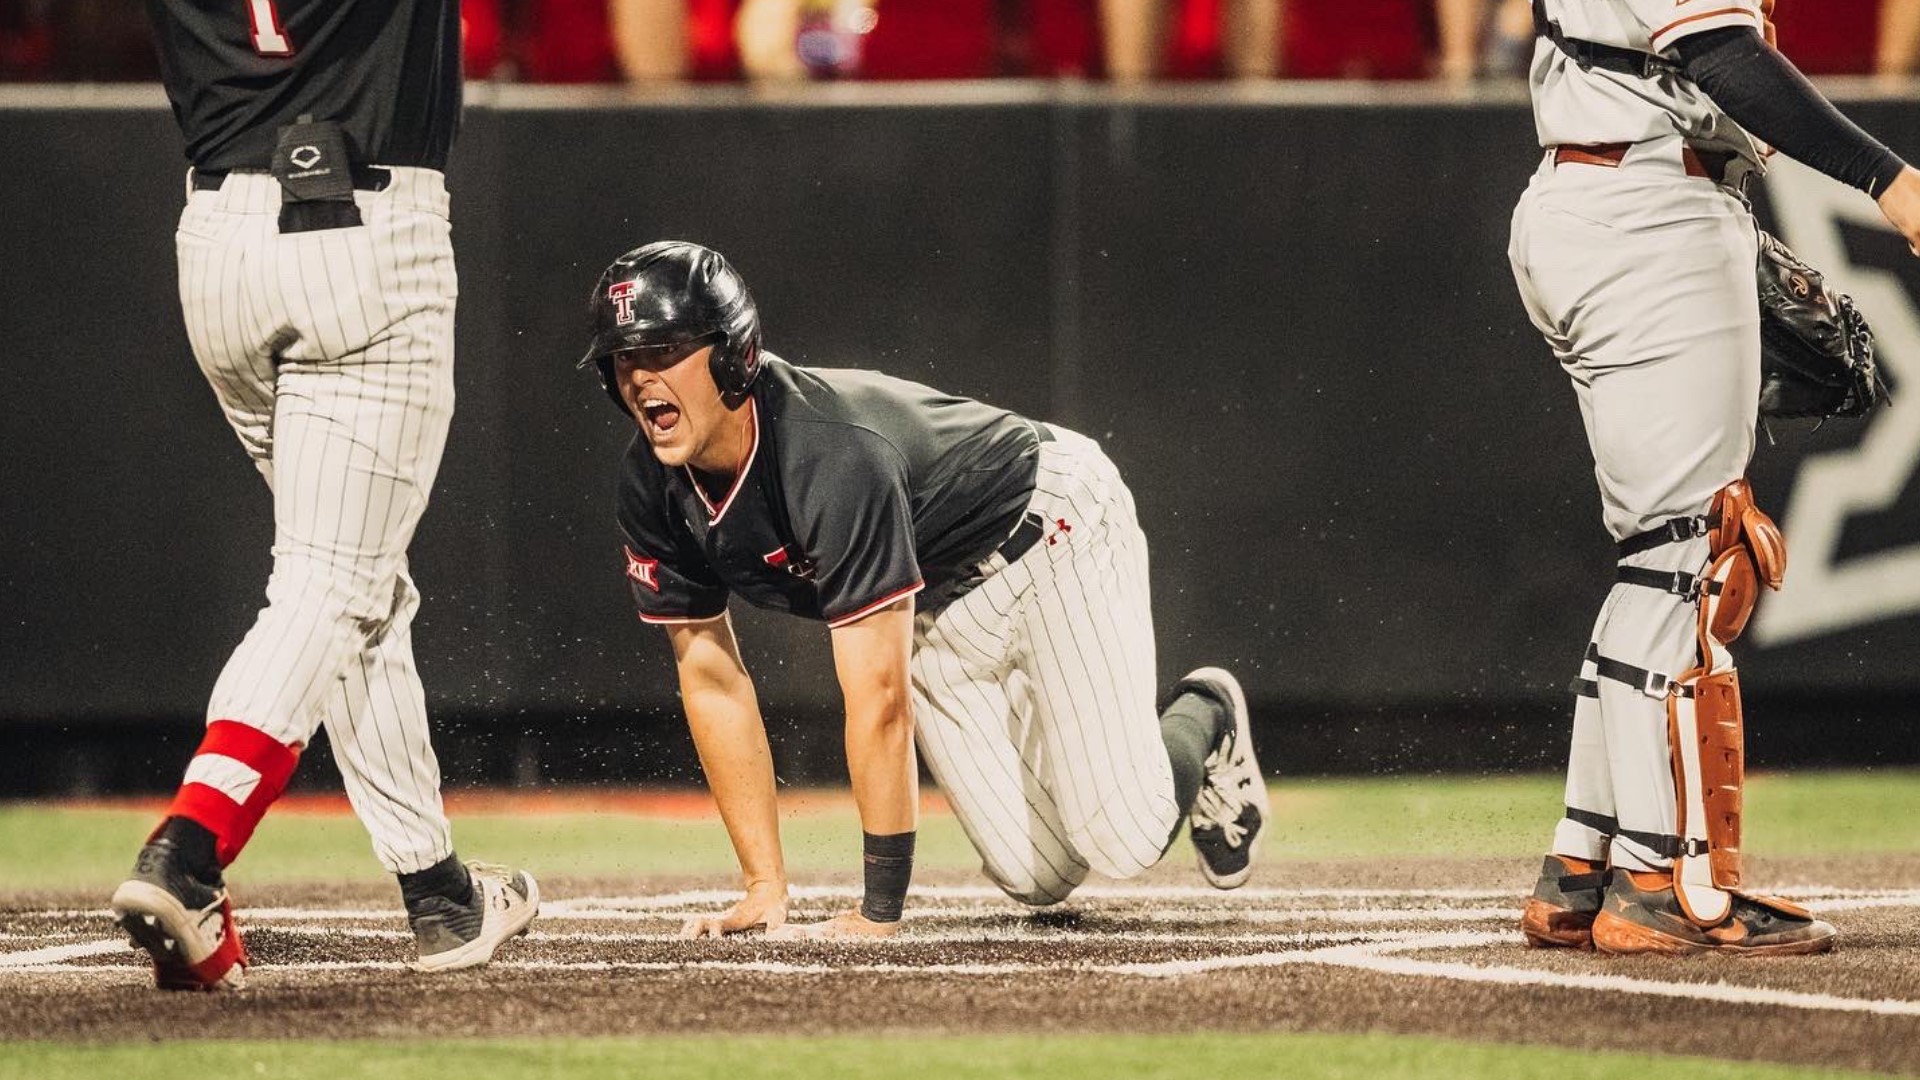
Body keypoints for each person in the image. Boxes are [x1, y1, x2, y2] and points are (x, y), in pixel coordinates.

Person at [576, 242, 1269, 938]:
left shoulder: (829, 453)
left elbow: (880, 700)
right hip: (941, 598)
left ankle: (1205, 713)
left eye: (662, 350)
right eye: (623, 358)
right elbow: (711, 679)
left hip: (1052, 529)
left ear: (734, 354)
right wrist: (764, 886)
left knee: (1122, 835)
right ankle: (1075, 723)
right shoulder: (651, 485)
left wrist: (879, 909)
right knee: (1037, 879)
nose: (638, 376)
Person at [112, 0, 537, 992]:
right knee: (329, 582)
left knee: (351, 578)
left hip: (216, 243)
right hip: (365, 234)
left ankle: (439, 893)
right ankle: (192, 847)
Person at [1508, 0, 1920, 955]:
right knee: (1698, 557)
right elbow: (1719, 52)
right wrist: (1890, 182)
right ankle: (1667, 885)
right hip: (1646, 212)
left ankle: (1582, 865)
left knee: (1658, 558)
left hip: (1603, 196)